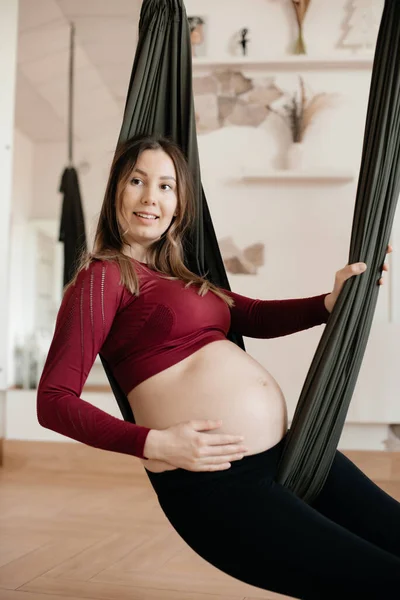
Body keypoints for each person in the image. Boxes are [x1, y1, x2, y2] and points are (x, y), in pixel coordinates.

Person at [37, 134, 398, 600]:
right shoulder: (104, 276)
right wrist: (154, 442)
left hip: (292, 454)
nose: (151, 197)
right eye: (137, 181)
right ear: (115, 193)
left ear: (179, 204)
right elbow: (53, 401)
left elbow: (256, 316)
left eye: (166, 186)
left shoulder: (184, 277)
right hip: (221, 485)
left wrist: (330, 302)